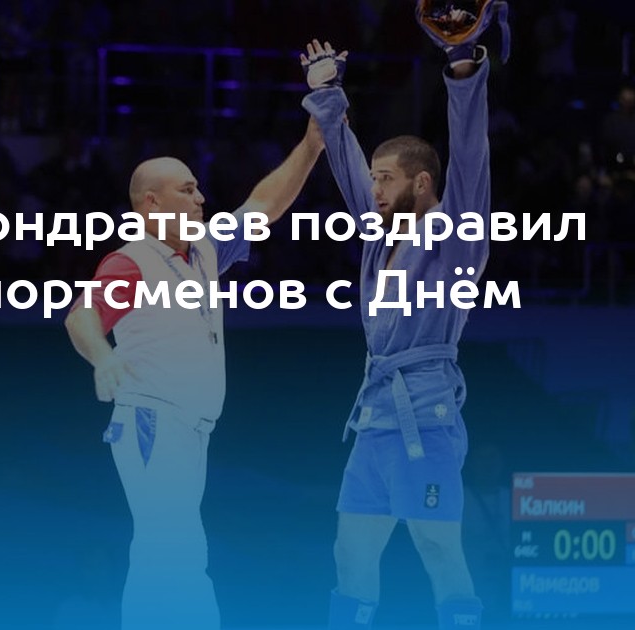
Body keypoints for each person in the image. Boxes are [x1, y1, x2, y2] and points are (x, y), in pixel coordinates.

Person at [63, 120, 325, 630]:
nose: (202, 198)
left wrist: (312, 144)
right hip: (152, 421)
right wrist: (104, 358)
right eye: (187, 190)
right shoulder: (132, 262)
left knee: (168, 550)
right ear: (151, 204)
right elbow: (81, 316)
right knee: (174, 549)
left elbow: (263, 205)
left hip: (187, 429)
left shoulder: (202, 248)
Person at [300, 29, 491, 629]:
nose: (375, 188)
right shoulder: (378, 235)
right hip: (375, 418)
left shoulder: (456, 236)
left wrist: (461, 71)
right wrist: (327, 94)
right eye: (375, 179)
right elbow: (346, 165)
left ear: (422, 183)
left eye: (386, 179)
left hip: (425, 417)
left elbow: (471, 158)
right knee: (350, 553)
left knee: (439, 550)